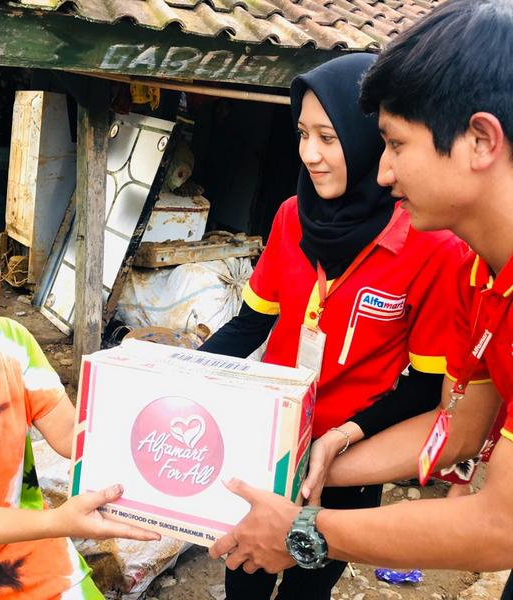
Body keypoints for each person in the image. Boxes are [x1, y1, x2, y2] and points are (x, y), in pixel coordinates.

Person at [209, 0, 513, 592]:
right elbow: (459, 429)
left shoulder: (440, 255)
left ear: (480, 140)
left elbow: (500, 523)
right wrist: (309, 467)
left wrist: (309, 525)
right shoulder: (484, 279)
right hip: (295, 450)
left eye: (395, 145)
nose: (383, 172)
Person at [0, 197, 160, 598]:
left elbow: (71, 437)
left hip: (33, 547)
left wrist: (154, 425)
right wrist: (59, 522)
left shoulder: (12, 341)